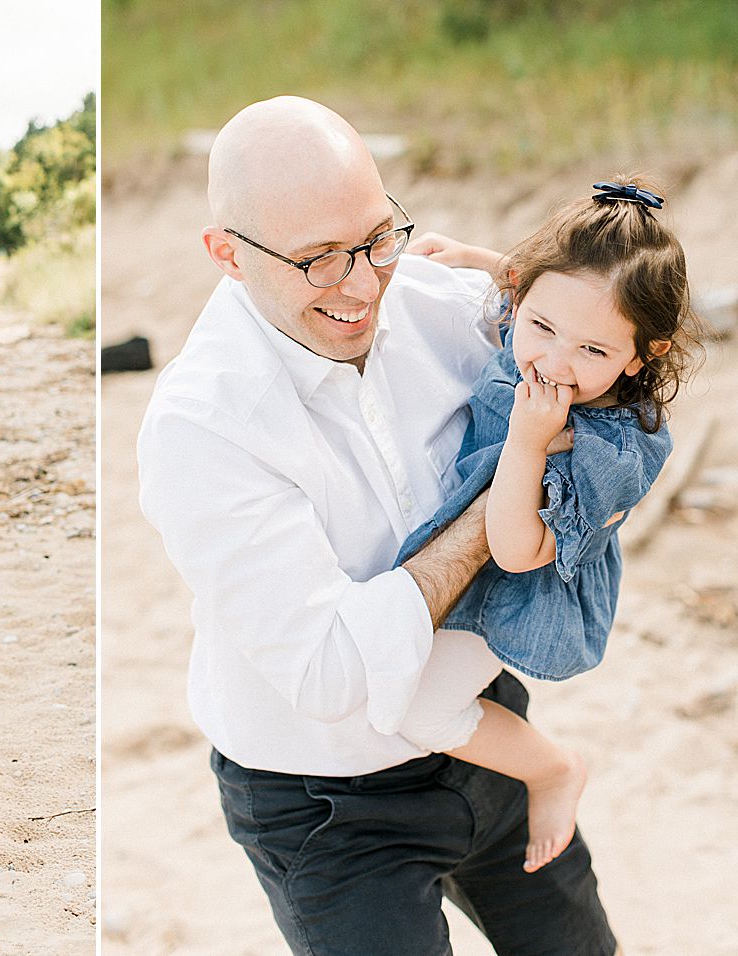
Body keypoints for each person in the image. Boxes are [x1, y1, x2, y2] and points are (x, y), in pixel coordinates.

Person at [138, 96, 621, 955]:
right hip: (324, 802)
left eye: (373, 238)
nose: (361, 284)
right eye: (319, 260)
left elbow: (607, 343)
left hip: (488, 730)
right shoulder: (201, 424)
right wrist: (503, 502)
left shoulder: (442, 299)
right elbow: (333, 674)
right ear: (227, 256)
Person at [392, 178, 700, 873]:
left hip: (522, 590)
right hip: (473, 553)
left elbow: (517, 550)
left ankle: (552, 769)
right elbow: (556, 298)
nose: (556, 363)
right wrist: (477, 257)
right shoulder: (551, 318)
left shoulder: (610, 447)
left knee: (420, 712)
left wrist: (531, 442)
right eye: (539, 326)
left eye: (594, 352)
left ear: (643, 355)